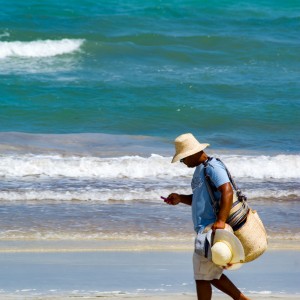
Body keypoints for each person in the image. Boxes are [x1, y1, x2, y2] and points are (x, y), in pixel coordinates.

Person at [164, 133, 250, 300]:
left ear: (193, 153)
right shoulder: (200, 170)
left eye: (183, 159)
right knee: (206, 275)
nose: (183, 162)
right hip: (205, 229)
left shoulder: (212, 166)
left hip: (212, 228)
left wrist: (221, 221)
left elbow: (227, 190)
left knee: (204, 275)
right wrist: (181, 198)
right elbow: (200, 199)